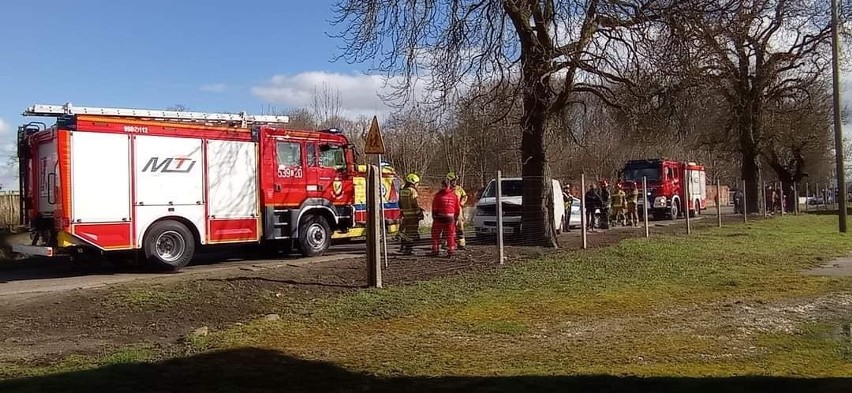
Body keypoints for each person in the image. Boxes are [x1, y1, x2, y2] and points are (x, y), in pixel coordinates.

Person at [430, 180, 461, 257]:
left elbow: (434, 207)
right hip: (450, 218)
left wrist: (434, 216)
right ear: (449, 186)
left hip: (439, 217)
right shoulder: (454, 196)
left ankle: (435, 250)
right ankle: (451, 251)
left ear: (442, 185)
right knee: (450, 235)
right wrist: (456, 218)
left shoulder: (438, 195)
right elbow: (457, 208)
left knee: (435, 234)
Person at [398, 173, 423, 255]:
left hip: (405, 215)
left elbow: (400, 203)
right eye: (417, 183)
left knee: (406, 232)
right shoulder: (412, 191)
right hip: (413, 216)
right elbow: (414, 204)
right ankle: (408, 250)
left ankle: (403, 248)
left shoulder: (402, 191)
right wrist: (419, 213)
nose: (417, 185)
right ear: (413, 183)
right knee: (411, 233)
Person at [446, 171, 468, 250]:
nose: (454, 182)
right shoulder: (446, 189)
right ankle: (446, 244)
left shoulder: (459, 189)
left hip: (458, 210)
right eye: (453, 180)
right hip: (449, 211)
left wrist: (462, 203)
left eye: (455, 180)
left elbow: (465, 196)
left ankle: (461, 244)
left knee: (460, 227)